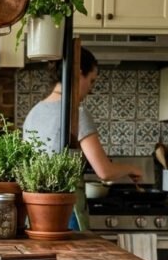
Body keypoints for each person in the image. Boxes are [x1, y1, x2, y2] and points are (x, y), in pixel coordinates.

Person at [22, 48, 142, 183]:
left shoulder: (33, 113)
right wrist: (131, 168)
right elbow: (105, 171)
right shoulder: (76, 113)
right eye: (91, 81)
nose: (90, 89)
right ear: (78, 75)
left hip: (34, 200)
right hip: (64, 200)